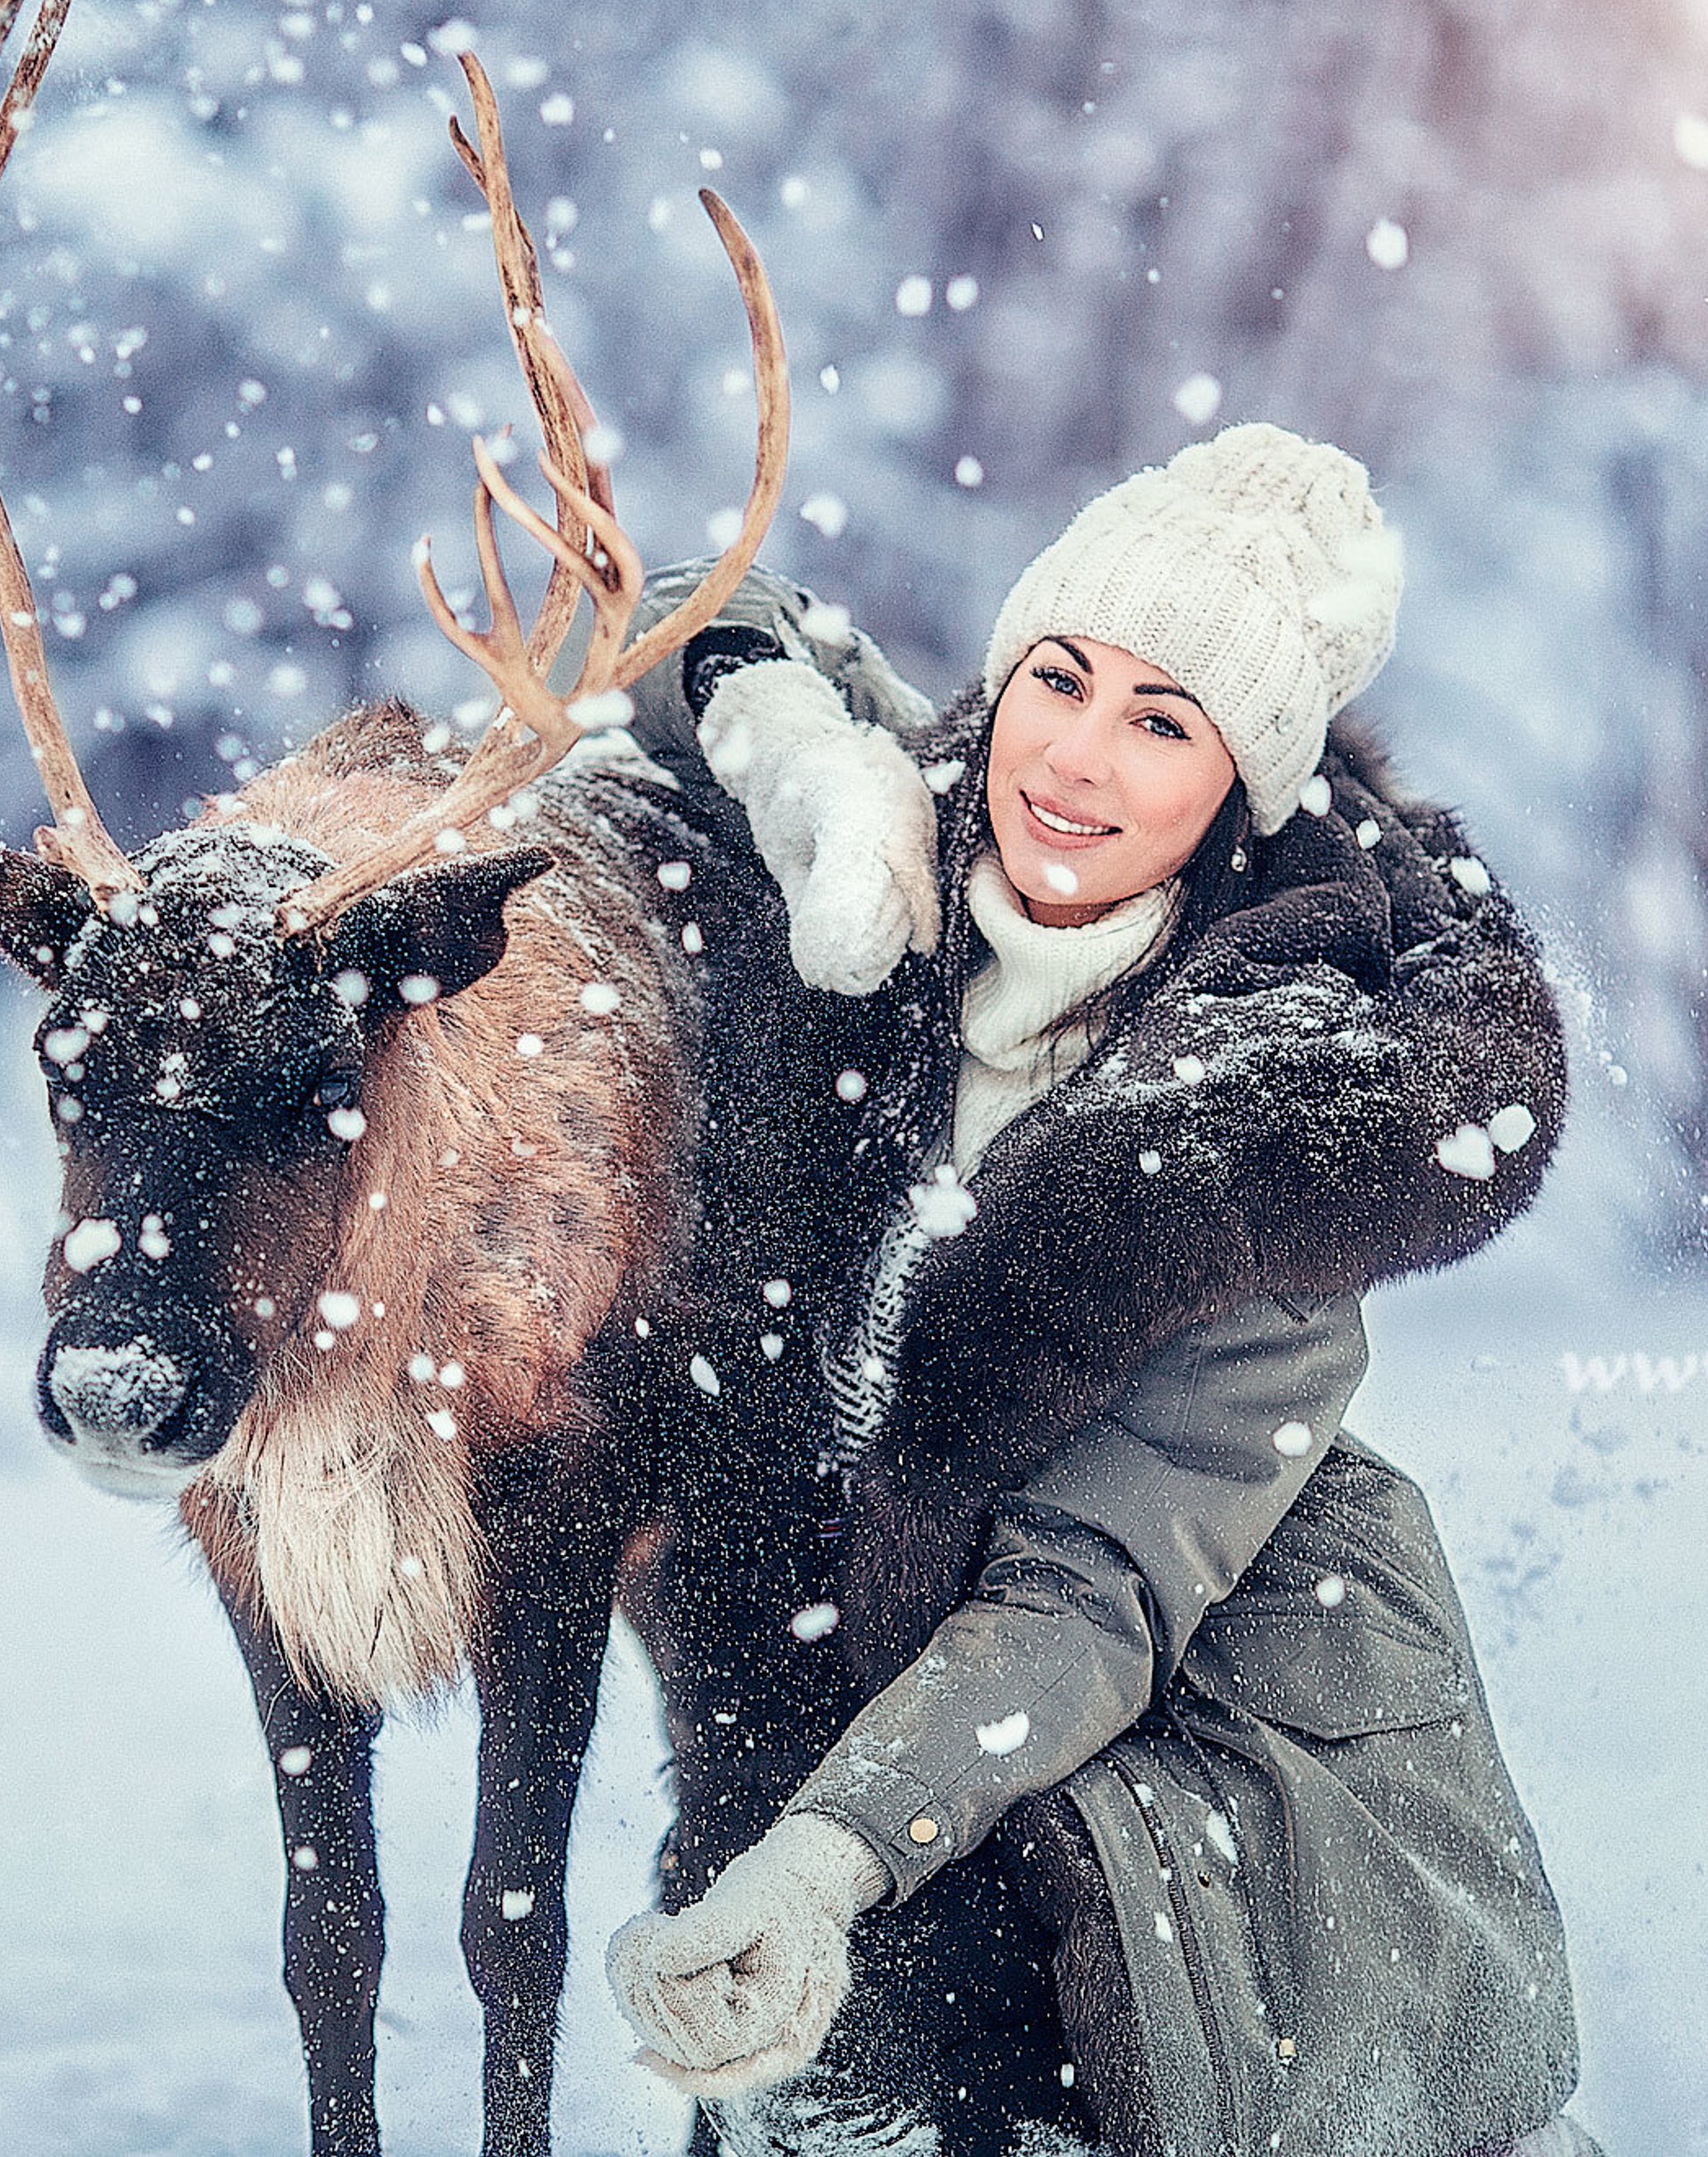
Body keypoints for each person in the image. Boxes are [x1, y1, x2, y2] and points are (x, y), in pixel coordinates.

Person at [602, 424, 1597, 2157]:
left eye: (1161, 721)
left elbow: (1092, 1588)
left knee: (937, 2003)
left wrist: (832, 1853)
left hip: (1187, 1700)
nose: (1072, 757)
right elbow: (677, 608)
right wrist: (799, 765)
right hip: (855, 1646)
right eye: (1056, 678)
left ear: (1239, 781)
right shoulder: (888, 854)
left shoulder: (1283, 1115)